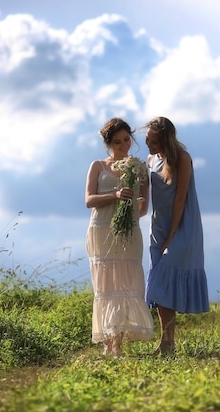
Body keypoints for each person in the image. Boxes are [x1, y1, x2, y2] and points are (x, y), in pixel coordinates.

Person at [85, 117, 154, 357]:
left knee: (126, 284)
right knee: (105, 285)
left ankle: (117, 344)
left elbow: (144, 206)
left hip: (128, 230)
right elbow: (88, 200)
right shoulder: (98, 166)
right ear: (108, 143)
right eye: (117, 142)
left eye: (127, 140)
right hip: (101, 228)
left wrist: (129, 213)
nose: (124, 146)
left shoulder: (139, 167)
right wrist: (115, 195)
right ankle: (107, 341)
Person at [144, 116, 210, 356]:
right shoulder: (151, 159)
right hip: (158, 226)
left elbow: (180, 198)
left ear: (164, 140)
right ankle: (167, 343)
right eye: (147, 140)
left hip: (182, 226)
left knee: (165, 278)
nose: (148, 145)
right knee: (161, 287)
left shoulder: (182, 158)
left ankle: (167, 343)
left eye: (152, 141)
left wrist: (172, 235)